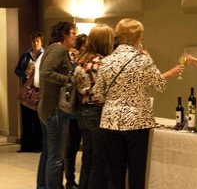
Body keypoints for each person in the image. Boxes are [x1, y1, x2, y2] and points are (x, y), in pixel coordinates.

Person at [93, 18, 184, 189]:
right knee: (136, 171)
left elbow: (97, 93)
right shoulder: (143, 60)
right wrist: (148, 58)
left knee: (115, 171)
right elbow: (160, 85)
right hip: (137, 121)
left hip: (110, 121)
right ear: (137, 39)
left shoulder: (106, 61)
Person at [37, 21, 76, 189]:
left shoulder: (54, 49)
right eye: (73, 33)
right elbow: (46, 72)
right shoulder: (58, 49)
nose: (75, 37)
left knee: (48, 153)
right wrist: (69, 80)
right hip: (56, 110)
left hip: (48, 108)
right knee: (56, 157)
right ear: (65, 34)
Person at [74, 24, 114, 189]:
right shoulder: (102, 62)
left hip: (82, 111)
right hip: (97, 111)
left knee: (87, 158)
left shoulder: (82, 60)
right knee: (100, 161)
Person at [15, 32, 44, 153]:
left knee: (37, 119)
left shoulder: (45, 55)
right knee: (26, 119)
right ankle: (26, 146)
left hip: (38, 91)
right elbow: (17, 71)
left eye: (37, 41)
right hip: (26, 90)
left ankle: (38, 145)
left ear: (41, 42)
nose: (35, 43)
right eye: (33, 41)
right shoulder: (25, 56)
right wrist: (25, 72)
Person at [64, 34, 87, 189]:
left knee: (87, 149)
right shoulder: (73, 62)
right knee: (71, 147)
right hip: (73, 112)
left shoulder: (88, 61)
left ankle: (84, 180)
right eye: (85, 45)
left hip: (84, 112)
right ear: (80, 46)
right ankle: (70, 180)